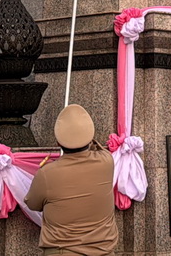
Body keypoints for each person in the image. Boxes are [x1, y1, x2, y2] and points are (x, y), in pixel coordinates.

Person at [25, 104, 117, 255]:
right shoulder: (106, 162)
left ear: (58, 143)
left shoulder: (47, 173)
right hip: (104, 252)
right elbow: (97, 147)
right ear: (89, 137)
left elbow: (32, 203)